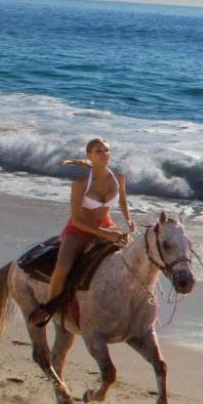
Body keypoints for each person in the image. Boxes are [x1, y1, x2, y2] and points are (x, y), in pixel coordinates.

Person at [27, 138, 131, 326]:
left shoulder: (119, 178)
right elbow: (76, 219)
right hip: (79, 229)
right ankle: (50, 308)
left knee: (133, 257)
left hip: (107, 225)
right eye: (98, 151)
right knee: (63, 266)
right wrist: (107, 235)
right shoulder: (81, 183)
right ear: (89, 155)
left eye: (106, 150)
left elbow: (122, 202)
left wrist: (129, 221)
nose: (104, 154)